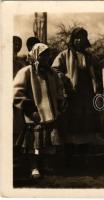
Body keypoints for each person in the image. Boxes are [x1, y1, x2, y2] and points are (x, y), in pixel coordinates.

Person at [13, 43, 65, 179]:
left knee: (48, 142)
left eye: (48, 55)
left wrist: (60, 103)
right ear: (36, 56)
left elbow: (59, 90)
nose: (47, 58)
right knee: (33, 144)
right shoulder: (26, 72)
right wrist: (29, 109)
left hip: (51, 113)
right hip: (35, 114)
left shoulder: (52, 73)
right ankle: (34, 167)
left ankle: (45, 164)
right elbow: (16, 93)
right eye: (43, 55)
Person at [52, 27, 100, 165]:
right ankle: (69, 157)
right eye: (77, 37)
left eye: (83, 37)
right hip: (72, 95)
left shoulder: (91, 57)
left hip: (87, 95)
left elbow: (98, 72)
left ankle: (83, 156)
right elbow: (55, 70)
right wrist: (65, 79)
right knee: (71, 125)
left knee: (86, 125)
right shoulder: (64, 55)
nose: (79, 40)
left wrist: (97, 83)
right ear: (73, 40)